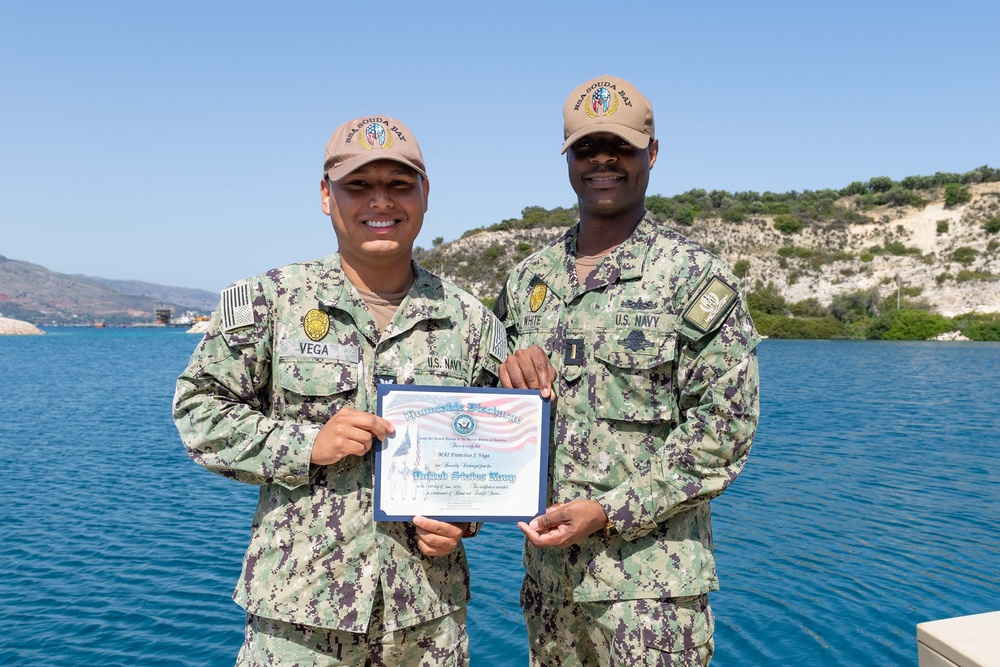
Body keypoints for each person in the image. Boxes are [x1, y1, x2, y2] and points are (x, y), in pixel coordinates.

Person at [174, 115, 506, 666]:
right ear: (327, 197)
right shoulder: (270, 301)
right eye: (359, 185)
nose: (381, 201)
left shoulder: (470, 320)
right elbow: (198, 412)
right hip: (299, 615)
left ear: (425, 196)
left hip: (427, 618)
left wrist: (463, 520)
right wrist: (305, 445)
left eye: (399, 185)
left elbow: (489, 455)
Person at [494, 75, 760, 666]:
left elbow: (724, 435)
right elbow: (489, 406)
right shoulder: (527, 280)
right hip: (550, 586)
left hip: (651, 592)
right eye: (586, 147)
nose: (603, 160)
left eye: (621, 145)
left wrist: (609, 511)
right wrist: (505, 371)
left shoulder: (692, 277)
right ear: (568, 159)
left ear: (652, 153)